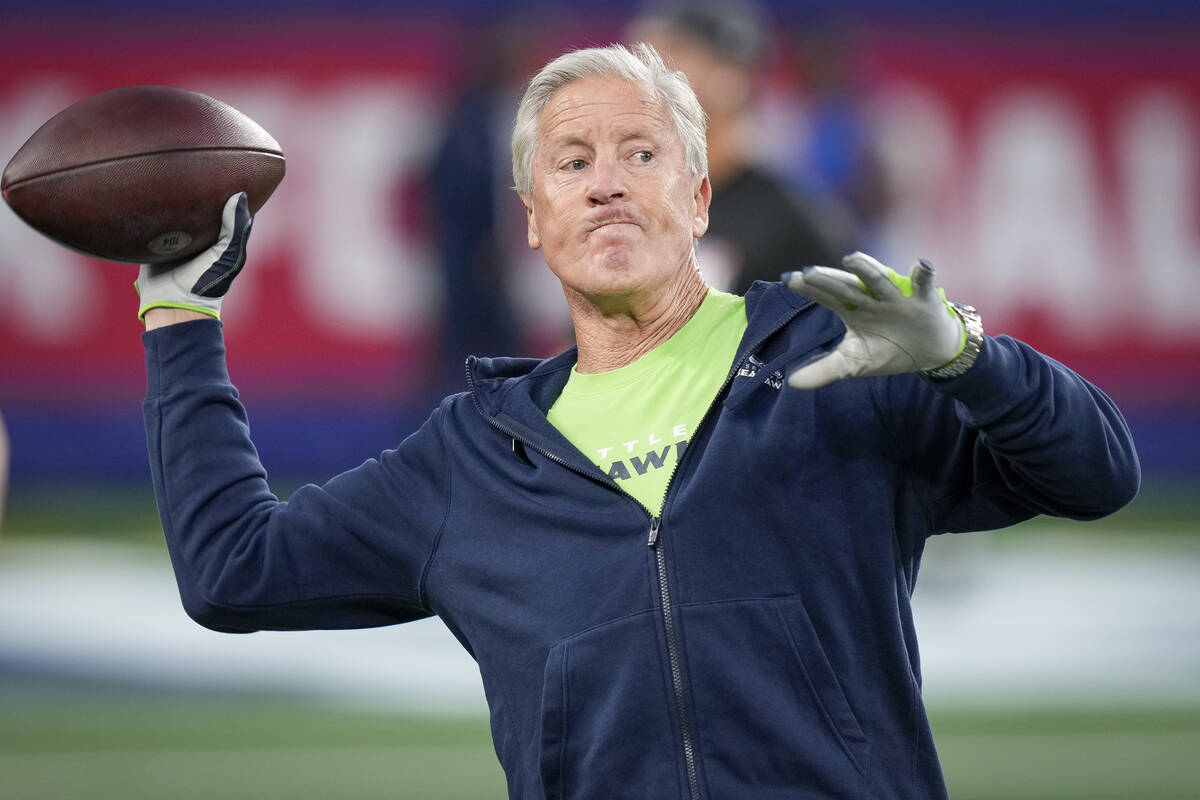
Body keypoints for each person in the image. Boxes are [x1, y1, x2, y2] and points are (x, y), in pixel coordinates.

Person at [133, 43, 1139, 800]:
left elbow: (1100, 473)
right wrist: (181, 316)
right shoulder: (472, 454)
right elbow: (232, 569)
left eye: (640, 152)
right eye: (571, 162)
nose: (606, 181)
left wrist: (971, 360)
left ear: (699, 198)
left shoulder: (836, 360)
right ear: (533, 216)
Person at [627, 0, 853, 294]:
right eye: (638, 56)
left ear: (731, 77)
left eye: (670, 52)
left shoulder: (794, 222)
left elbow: (844, 332)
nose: (643, 73)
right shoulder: (625, 202)